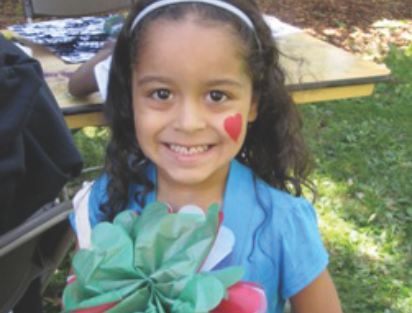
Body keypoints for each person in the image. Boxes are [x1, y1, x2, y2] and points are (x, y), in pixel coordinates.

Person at [69, 0, 343, 312]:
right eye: (161, 93)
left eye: (217, 96)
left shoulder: (281, 224)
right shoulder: (102, 203)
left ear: (253, 103)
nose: (188, 123)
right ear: (129, 97)